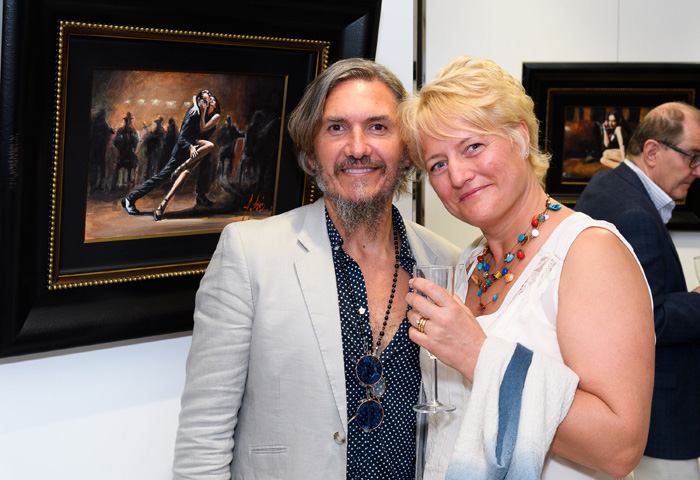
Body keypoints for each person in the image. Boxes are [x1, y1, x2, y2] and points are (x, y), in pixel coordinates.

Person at [171, 58, 461, 479]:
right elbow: (203, 440)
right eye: (336, 128)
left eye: (378, 127)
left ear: (408, 152)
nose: (358, 148)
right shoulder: (250, 255)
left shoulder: (446, 263)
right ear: (310, 153)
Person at [399, 55, 655, 479]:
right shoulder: (468, 263)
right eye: (438, 164)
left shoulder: (588, 252)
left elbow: (619, 447)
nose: (458, 176)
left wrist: (477, 355)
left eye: (473, 147)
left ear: (520, 137)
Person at [576, 101, 700, 480]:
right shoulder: (636, 216)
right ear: (652, 151)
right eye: (693, 157)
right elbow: (649, 321)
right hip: (655, 416)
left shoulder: (606, 184)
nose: (698, 170)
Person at [121, 89, 221, 220]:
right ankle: (130, 198)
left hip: (197, 148)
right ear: (200, 101)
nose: (207, 103)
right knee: (162, 177)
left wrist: (200, 107)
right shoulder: (194, 114)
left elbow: (202, 128)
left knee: (206, 163)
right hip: (184, 151)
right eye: (205, 101)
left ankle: (201, 196)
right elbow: (182, 139)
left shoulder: (207, 114)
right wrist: (190, 147)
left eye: (209, 100)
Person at [112, 111, 140, 189]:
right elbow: (116, 142)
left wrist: (133, 148)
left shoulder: (133, 131)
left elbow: (136, 142)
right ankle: (119, 184)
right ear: (126, 121)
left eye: (130, 120)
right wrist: (120, 149)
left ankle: (128, 183)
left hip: (129, 152)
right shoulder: (121, 130)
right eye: (128, 120)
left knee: (130, 167)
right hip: (123, 152)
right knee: (120, 167)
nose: (129, 122)